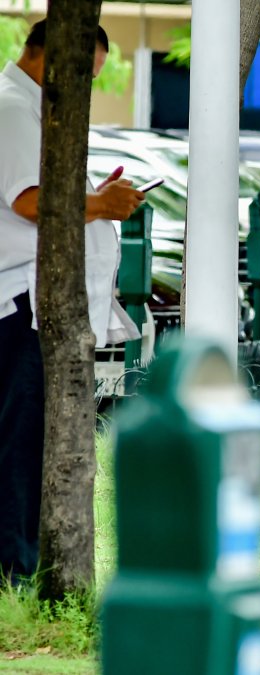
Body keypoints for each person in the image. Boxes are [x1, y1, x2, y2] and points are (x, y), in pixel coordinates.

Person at [0, 20, 144, 582]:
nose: (85, 88)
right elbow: (29, 200)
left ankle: (20, 562)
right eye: (83, 75)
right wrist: (99, 204)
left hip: (32, 298)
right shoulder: (15, 107)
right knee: (20, 444)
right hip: (18, 301)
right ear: (50, 57)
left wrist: (93, 200)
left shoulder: (34, 109)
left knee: (27, 441)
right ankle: (14, 569)